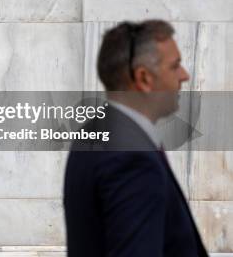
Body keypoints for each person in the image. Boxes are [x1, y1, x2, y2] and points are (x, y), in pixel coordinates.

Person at [64, 20, 208, 256]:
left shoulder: (93, 132)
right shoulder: (132, 160)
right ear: (143, 78)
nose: (184, 76)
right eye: (175, 66)